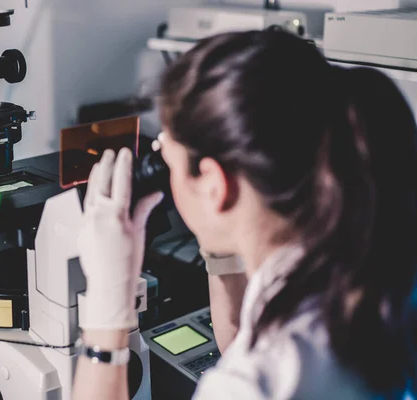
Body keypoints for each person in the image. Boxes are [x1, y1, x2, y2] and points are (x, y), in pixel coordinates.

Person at [72, 29, 417, 399]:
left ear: (214, 185)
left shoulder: (253, 383)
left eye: (166, 158)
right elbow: (239, 340)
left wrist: (107, 315)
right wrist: (221, 229)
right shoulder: (367, 281)